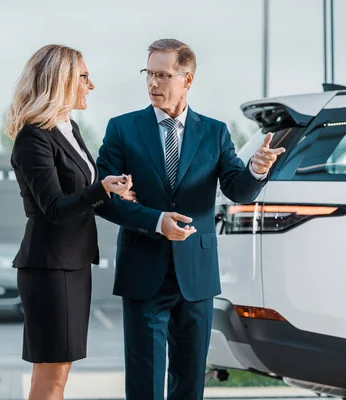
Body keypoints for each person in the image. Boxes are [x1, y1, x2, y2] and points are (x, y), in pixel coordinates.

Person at [97, 38, 285, 400]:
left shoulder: (214, 132)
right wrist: (156, 221)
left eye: (163, 75)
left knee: (189, 383)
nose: (153, 84)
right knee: (144, 385)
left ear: (188, 79)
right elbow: (103, 199)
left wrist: (257, 171)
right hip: (143, 269)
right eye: (149, 73)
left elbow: (237, 190)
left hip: (195, 274)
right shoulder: (121, 129)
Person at [7, 44, 139, 400]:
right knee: (52, 377)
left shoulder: (68, 128)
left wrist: (111, 192)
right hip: (51, 268)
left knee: (54, 374)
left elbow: (79, 193)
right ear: (60, 81)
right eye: (83, 77)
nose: (90, 85)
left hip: (71, 264)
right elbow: (54, 207)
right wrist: (101, 189)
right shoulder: (34, 137)